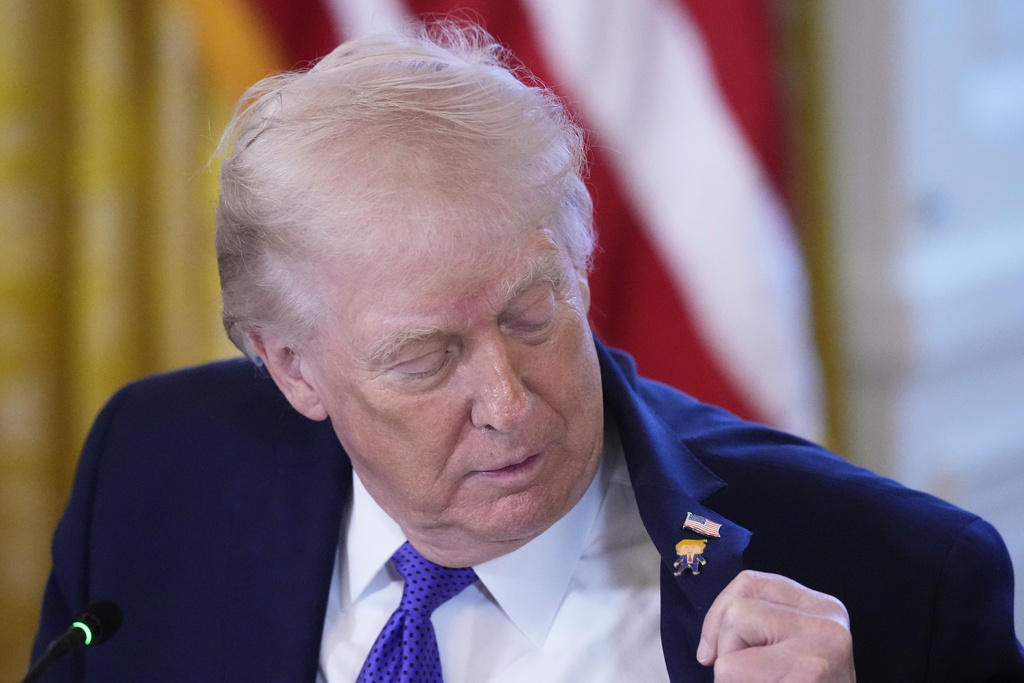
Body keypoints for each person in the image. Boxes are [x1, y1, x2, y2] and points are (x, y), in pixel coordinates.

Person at [31, 23, 1023, 683]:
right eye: (425, 358)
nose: (507, 401)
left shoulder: (899, 578)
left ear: (577, 267)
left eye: (531, 314)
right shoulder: (155, 471)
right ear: (292, 367)